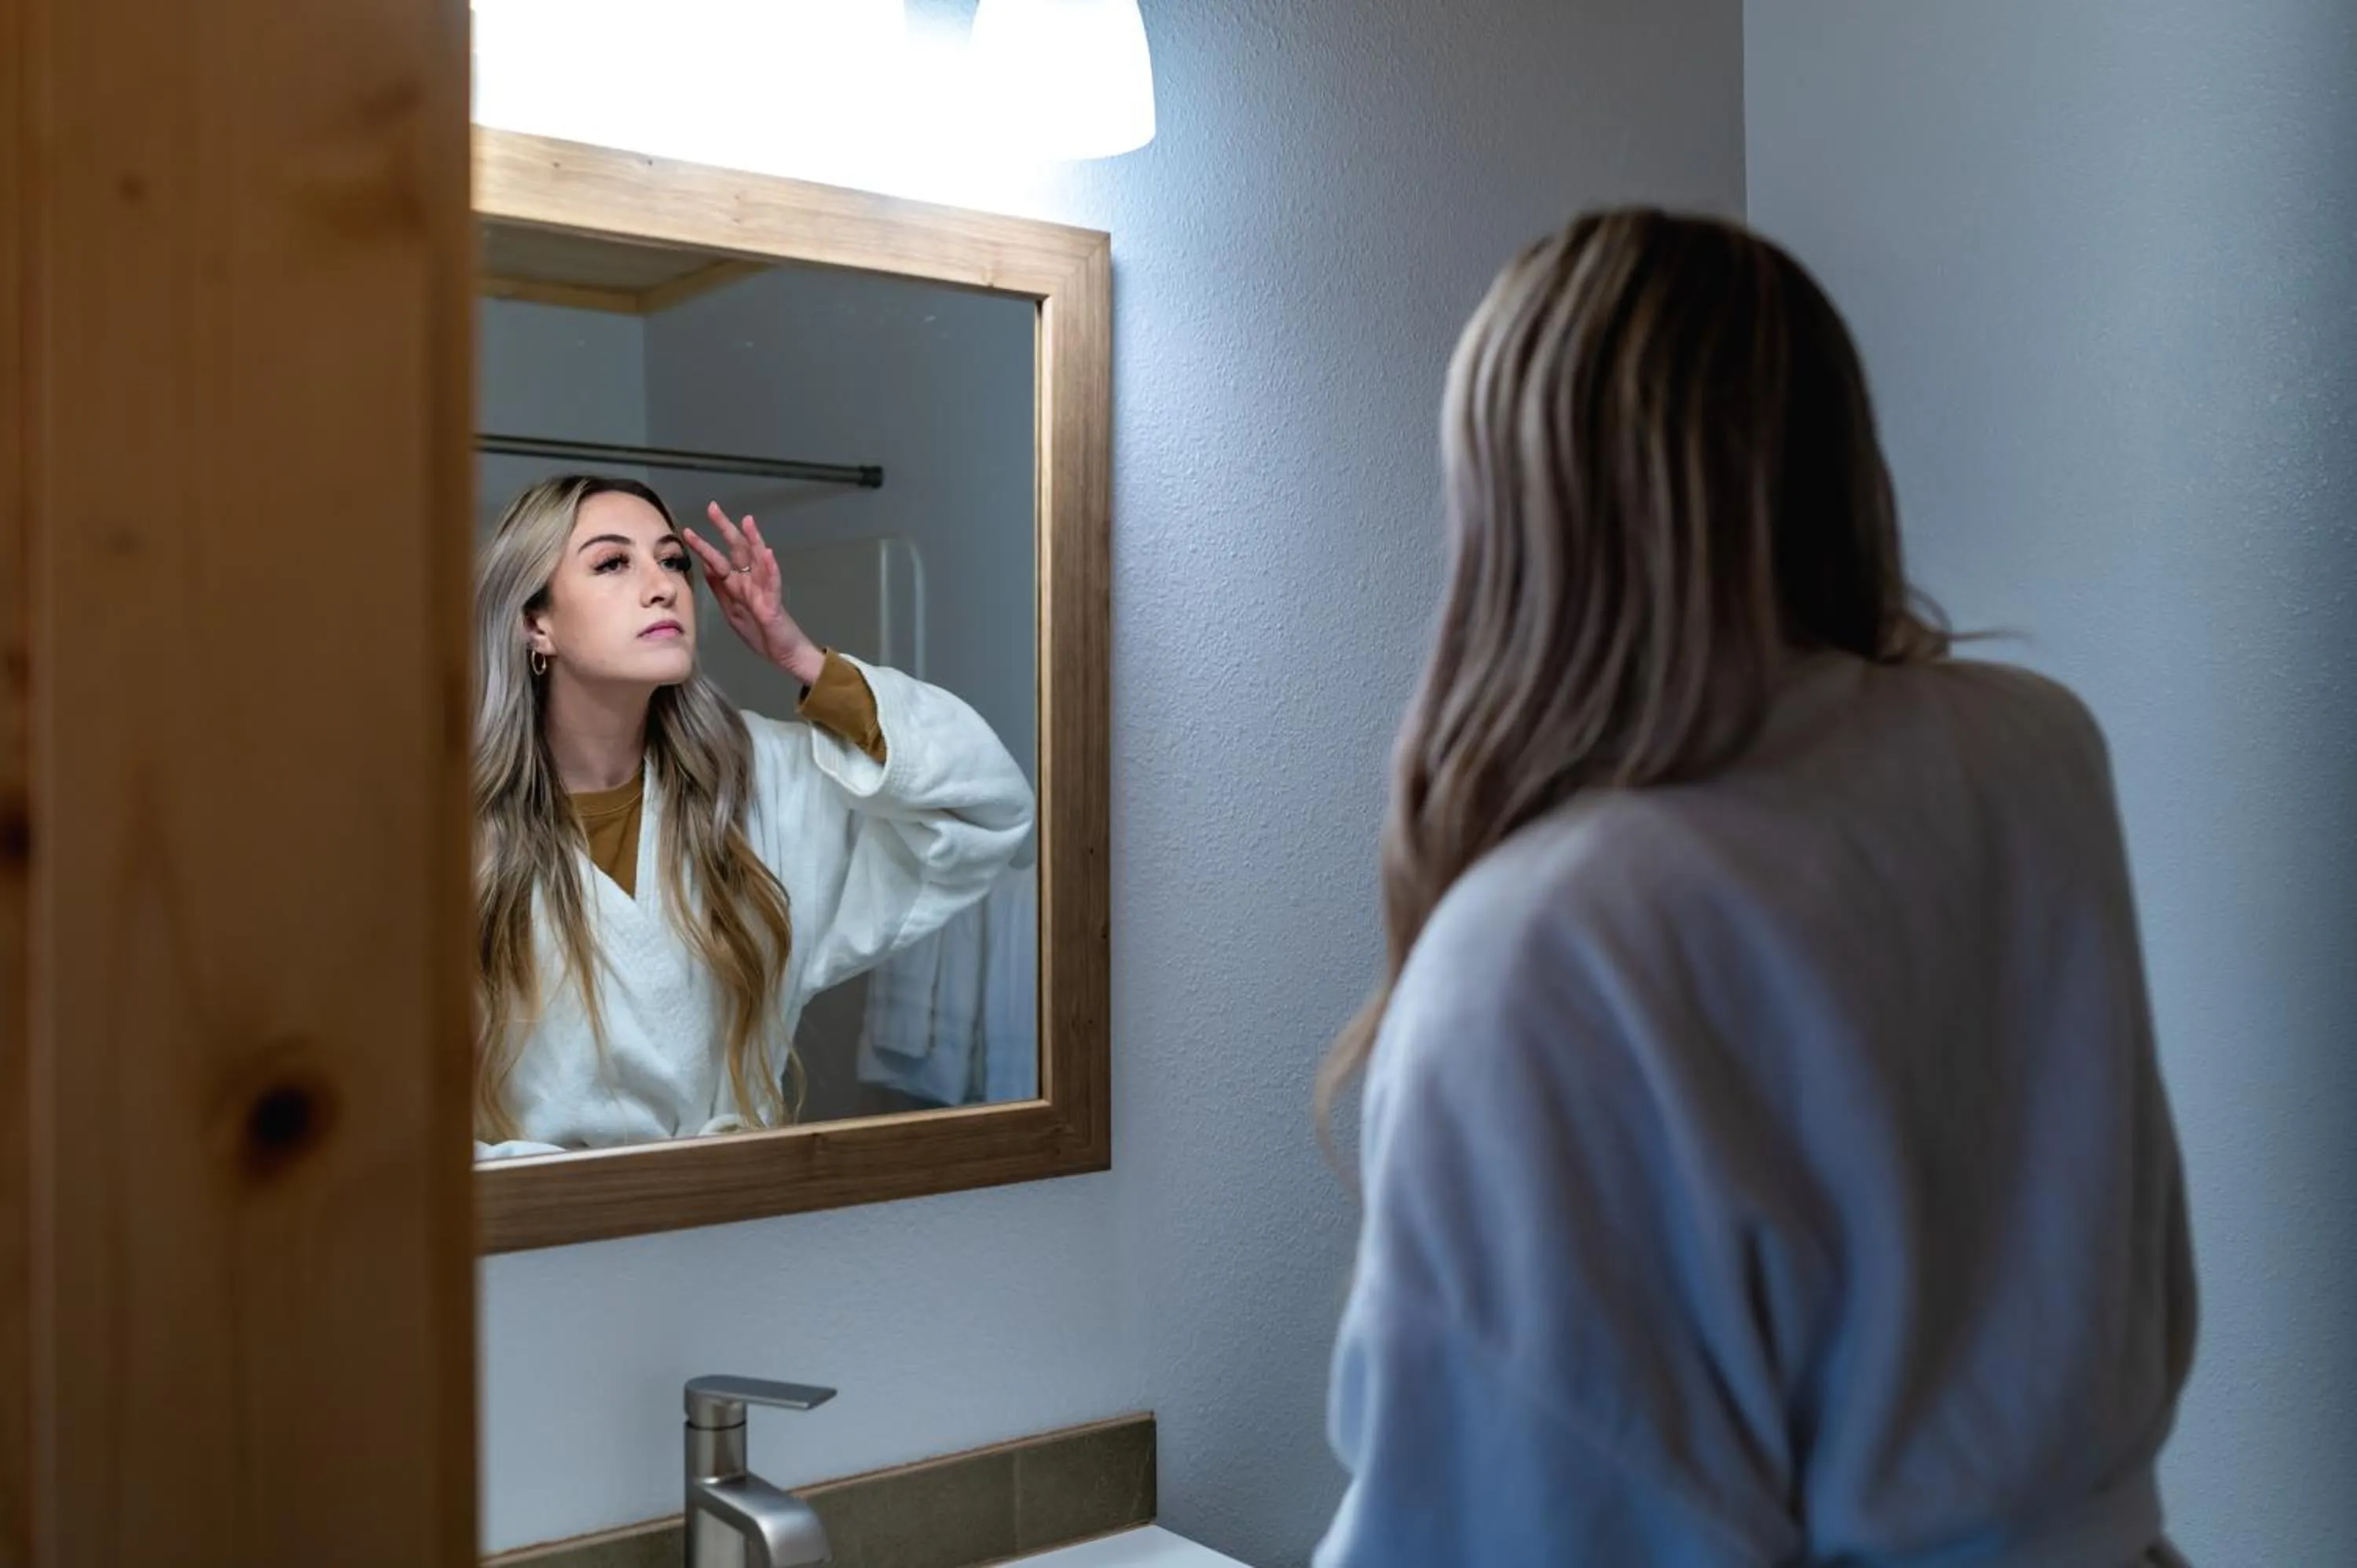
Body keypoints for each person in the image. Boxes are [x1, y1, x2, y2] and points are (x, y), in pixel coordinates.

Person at [1314, 211, 2195, 1567]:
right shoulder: (2034, 753)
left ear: (1516, 504)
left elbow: (1508, 1520)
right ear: (1833, 463)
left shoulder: (1547, 943)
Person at [471, 474, 1034, 1160]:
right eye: (613, 562)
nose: (662, 585)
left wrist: (801, 658)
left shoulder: (755, 779)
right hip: (543, 1240)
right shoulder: (451, 828)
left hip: (740, 1223)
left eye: (672, 560)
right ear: (537, 623)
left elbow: (983, 807)